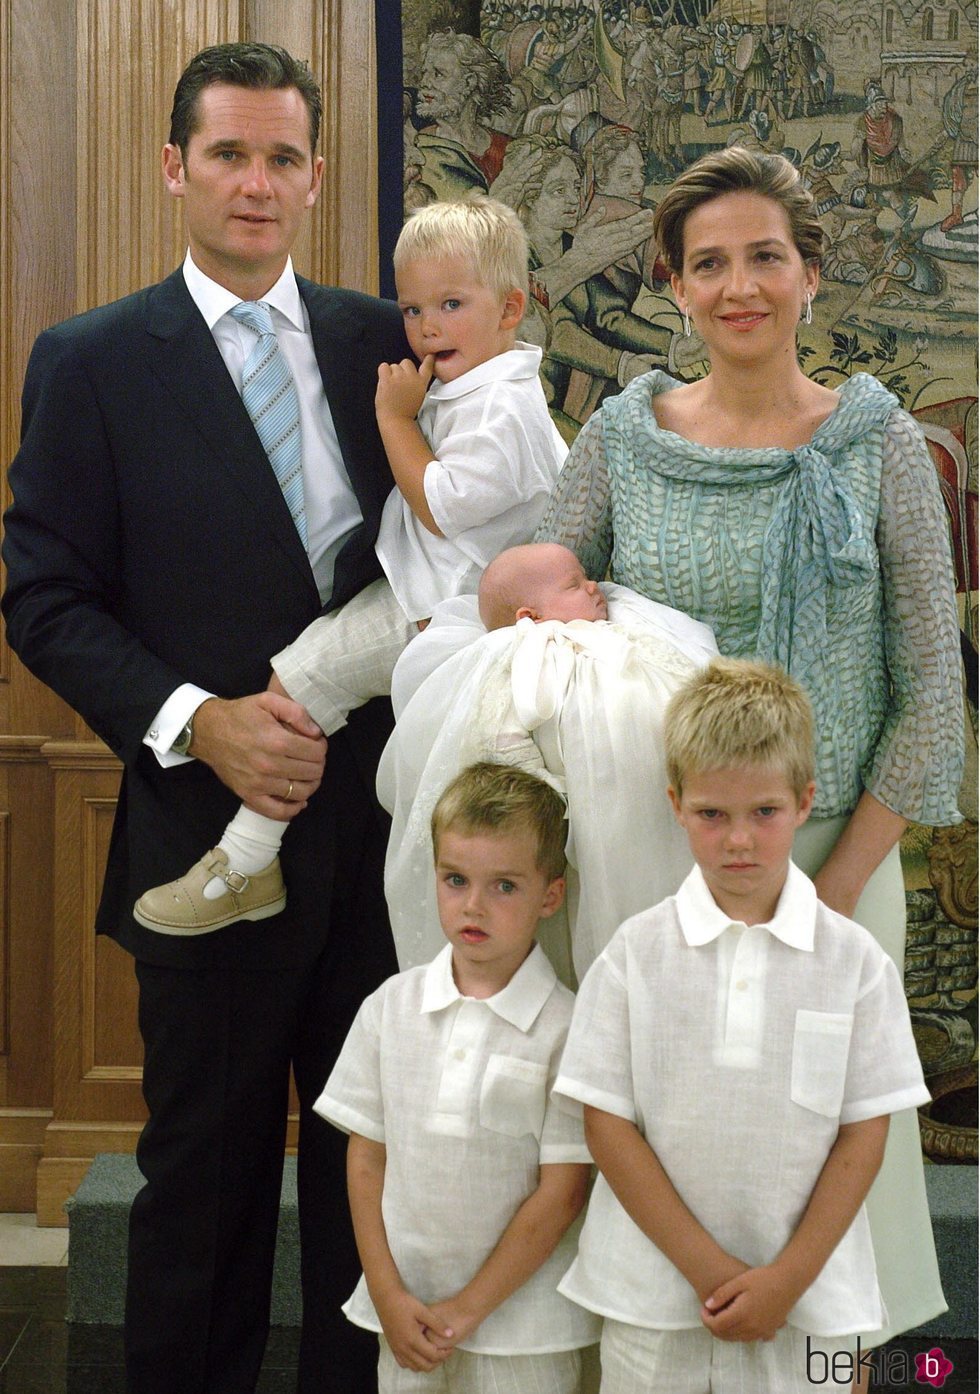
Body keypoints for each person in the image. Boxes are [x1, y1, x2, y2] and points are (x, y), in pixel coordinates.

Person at [1, 42, 408, 1394]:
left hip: (392, 838)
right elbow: (46, 599)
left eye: (282, 156)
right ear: (175, 167)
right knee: (206, 1186)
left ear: (316, 176)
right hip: (200, 839)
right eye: (228, 153)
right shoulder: (93, 360)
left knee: (377, 1176)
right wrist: (197, 718)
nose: (256, 182)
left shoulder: (386, 342)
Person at [535, 144, 962, 1358]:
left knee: (837, 1198)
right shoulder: (620, 439)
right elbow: (531, 602)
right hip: (650, 862)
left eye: (763, 257)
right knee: (664, 1151)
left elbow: (931, 682)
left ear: (808, 274)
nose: (738, 286)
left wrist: (824, 893)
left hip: (832, 859)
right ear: (671, 283)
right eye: (707, 263)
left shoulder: (876, 441)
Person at [133, 195, 566, 936]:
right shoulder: (472, 386)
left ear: (511, 309)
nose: (427, 327)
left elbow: (441, 504)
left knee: (298, 680)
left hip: (446, 607)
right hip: (431, 592)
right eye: (414, 308)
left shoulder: (507, 408)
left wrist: (395, 419)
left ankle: (246, 858)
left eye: (452, 304)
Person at [555, 658, 932, 1392]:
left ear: (804, 800)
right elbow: (606, 1124)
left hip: (809, 1305)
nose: (738, 841)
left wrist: (785, 1281)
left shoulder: (854, 963)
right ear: (676, 805)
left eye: (764, 812)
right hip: (655, 1304)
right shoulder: (635, 955)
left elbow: (865, 1133)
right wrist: (708, 1269)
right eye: (712, 814)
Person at [313, 762, 600, 1391]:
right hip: (407, 1317)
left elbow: (564, 1192)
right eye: (455, 879)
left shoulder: (569, 1028)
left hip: (527, 1334)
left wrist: (468, 1310)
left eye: (504, 886)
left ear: (550, 896)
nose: (473, 905)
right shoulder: (389, 1008)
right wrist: (386, 1293)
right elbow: (366, 1160)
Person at [377, 542, 717, 982]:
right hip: (575, 815)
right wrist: (553, 796)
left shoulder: (626, 628)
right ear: (531, 617)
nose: (595, 587)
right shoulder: (522, 661)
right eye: (575, 584)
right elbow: (503, 736)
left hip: (645, 804)